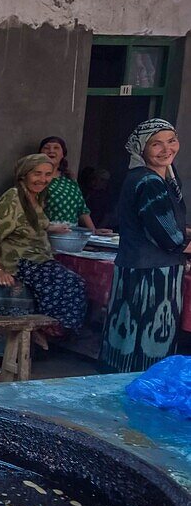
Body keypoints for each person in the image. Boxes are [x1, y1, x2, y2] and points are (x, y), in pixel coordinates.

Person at [101, 119, 189, 372]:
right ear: (141, 149)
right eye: (156, 144)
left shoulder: (160, 178)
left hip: (138, 268)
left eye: (171, 141)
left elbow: (168, 224)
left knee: (126, 336)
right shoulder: (149, 183)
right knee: (147, 343)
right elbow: (171, 239)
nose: (166, 149)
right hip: (152, 276)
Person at [0, 154, 88, 344]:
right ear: (24, 175)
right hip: (21, 261)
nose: (43, 179)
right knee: (73, 284)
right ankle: (43, 329)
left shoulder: (36, 196)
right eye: (37, 174)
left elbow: (37, 223)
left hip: (38, 258)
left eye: (48, 174)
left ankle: (42, 329)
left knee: (74, 281)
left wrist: (55, 228)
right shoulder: (13, 197)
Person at [39, 135, 110, 234]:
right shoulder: (36, 179)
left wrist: (93, 231)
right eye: (46, 148)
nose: (51, 151)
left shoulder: (69, 179)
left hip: (70, 236)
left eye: (56, 148)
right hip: (46, 235)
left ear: (63, 154)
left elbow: (81, 209)